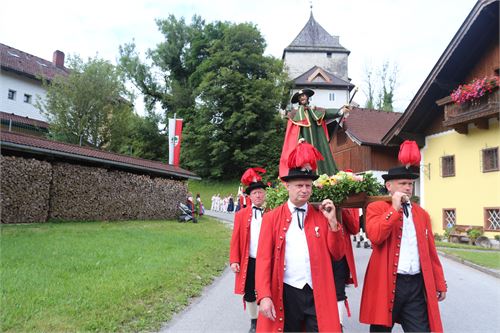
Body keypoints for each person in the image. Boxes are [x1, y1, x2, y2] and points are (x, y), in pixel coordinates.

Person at [256, 141, 345, 332]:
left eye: (308, 185)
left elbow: (337, 254)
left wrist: (333, 223)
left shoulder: (322, 215)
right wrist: (264, 296)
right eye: (299, 186)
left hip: (317, 291)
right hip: (287, 291)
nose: (304, 190)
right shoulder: (271, 218)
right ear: (287, 186)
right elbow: (263, 260)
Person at [360, 165, 447, 332]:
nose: (408, 187)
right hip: (386, 283)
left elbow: (430, 252)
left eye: (410, 183)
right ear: (389, 186)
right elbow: (376, 237)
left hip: (415, 284)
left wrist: (439, 282)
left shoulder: (422, 214)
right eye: (403, 183)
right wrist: (394, 209)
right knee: (381, 330)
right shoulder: (376, 208)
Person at [229, 167, 268, 333]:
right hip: (250, 259)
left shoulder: (273, 211)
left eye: (260, 192)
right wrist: (234, 260)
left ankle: (267, 320)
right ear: (250, 196)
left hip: (268, 260)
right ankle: (254, 321)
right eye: (254, 193)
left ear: (264, 194)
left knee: (268, 290)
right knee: (250, 292)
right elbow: (235, 240)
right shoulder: (241, 214)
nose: (258, 195)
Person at [279, 88, 349, 179]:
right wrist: (300, 138)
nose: (302, 97)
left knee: (323, 155)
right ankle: (308, 178)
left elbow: (327, 112)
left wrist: (340, 111)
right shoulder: (295, 113)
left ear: (307, 97)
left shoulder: (315, 110)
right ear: (298, 100)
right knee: (307, 160)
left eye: (303, 95)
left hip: (319, 140)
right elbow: (294, 130)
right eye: (300, 97)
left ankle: (326, 176)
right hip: (305, 143)